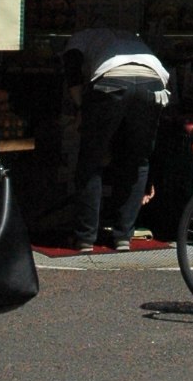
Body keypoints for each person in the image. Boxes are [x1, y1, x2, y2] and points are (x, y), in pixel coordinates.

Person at [63, 25, 170, 252]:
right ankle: (123, 236)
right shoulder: (132, 36)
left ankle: (85, 238)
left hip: (108, 80)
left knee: (91, 161)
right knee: (137, 160)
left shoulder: (80, 37)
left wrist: (82, 107)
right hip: (153, 82)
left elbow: (72, 72)